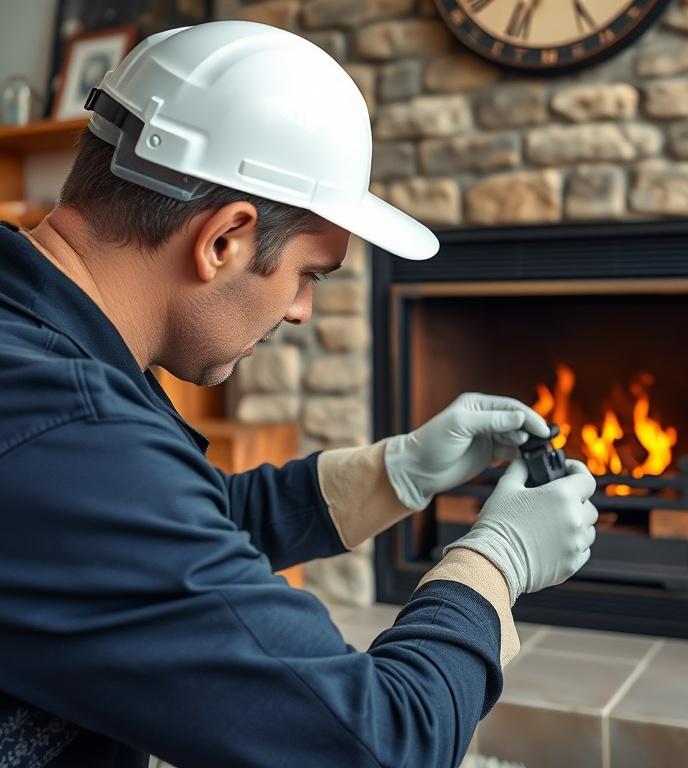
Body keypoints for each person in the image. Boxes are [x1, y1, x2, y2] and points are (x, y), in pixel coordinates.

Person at [0, 21, 598, 768]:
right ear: (225, 239)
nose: (300, 311)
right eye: (310, 274)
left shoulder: (42, 342)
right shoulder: (68, 429)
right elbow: (379, 743)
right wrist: (496, 561)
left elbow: (164, 535)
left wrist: (395, 473)